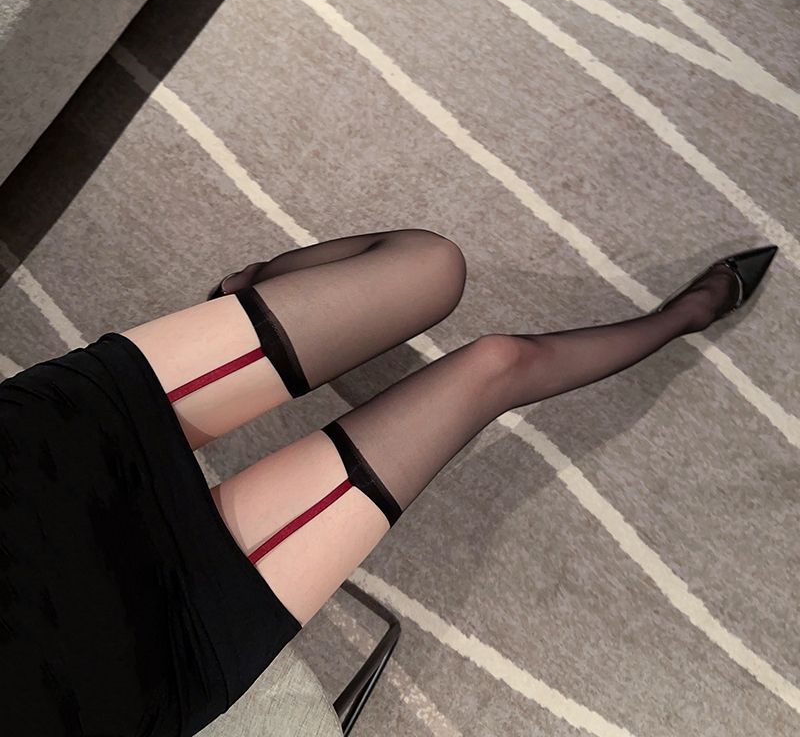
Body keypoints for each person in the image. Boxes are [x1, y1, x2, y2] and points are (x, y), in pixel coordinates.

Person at [0, 229, 777, 736]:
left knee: (432, 267)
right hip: (138, 653)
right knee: (497, 365)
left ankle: (248, 288)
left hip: (36, 474)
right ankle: (686, 315)